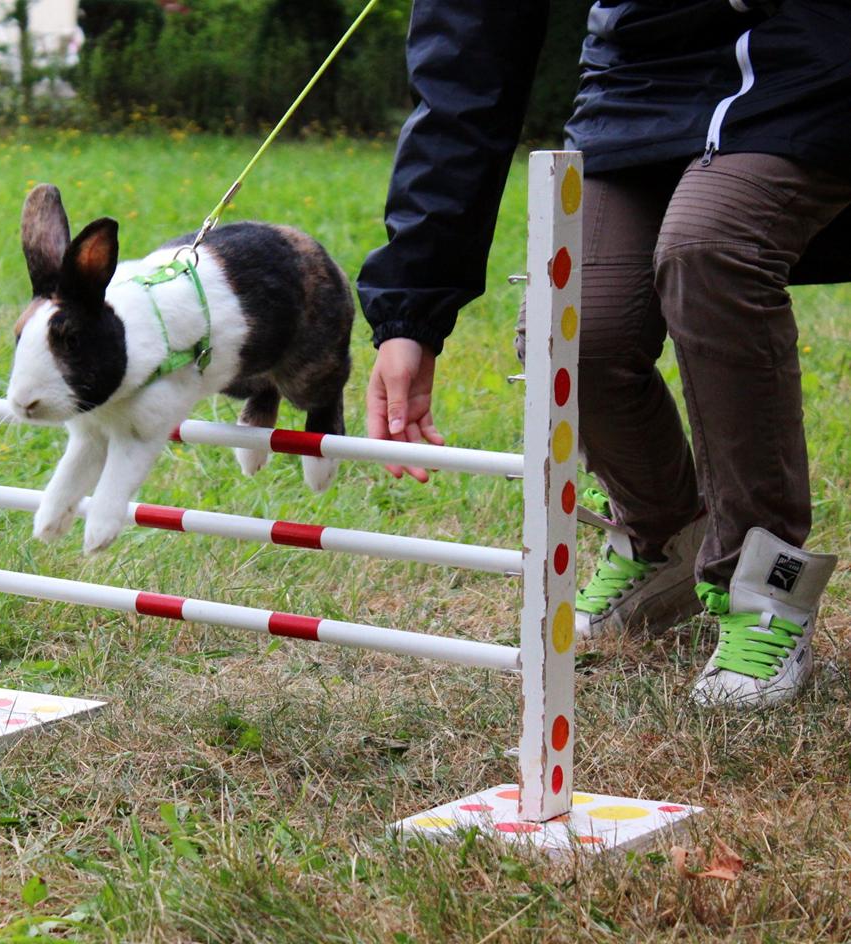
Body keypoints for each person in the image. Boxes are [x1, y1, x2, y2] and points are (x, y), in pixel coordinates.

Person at [358, 0, 851, 706]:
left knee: (709, 248)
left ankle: (767, 591)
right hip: (641, 81)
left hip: (811, 60)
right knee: (576, 328)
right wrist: (410, 309)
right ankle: (664, 542)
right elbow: (466, 58)